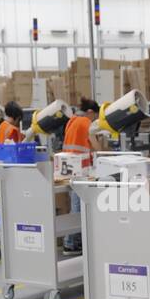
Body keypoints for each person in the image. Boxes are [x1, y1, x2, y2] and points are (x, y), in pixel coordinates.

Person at [61, 99, 101, 253]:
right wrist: (105, 150)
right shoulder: (86, 122)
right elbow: (95, 146)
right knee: (78, 206)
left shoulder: (72, 121)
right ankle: (70, 243)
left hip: (69, 166)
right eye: (95, 116)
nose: (96, 121)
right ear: (90, 112)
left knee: (75, 204)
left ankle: (72, 241)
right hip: (81, 168)